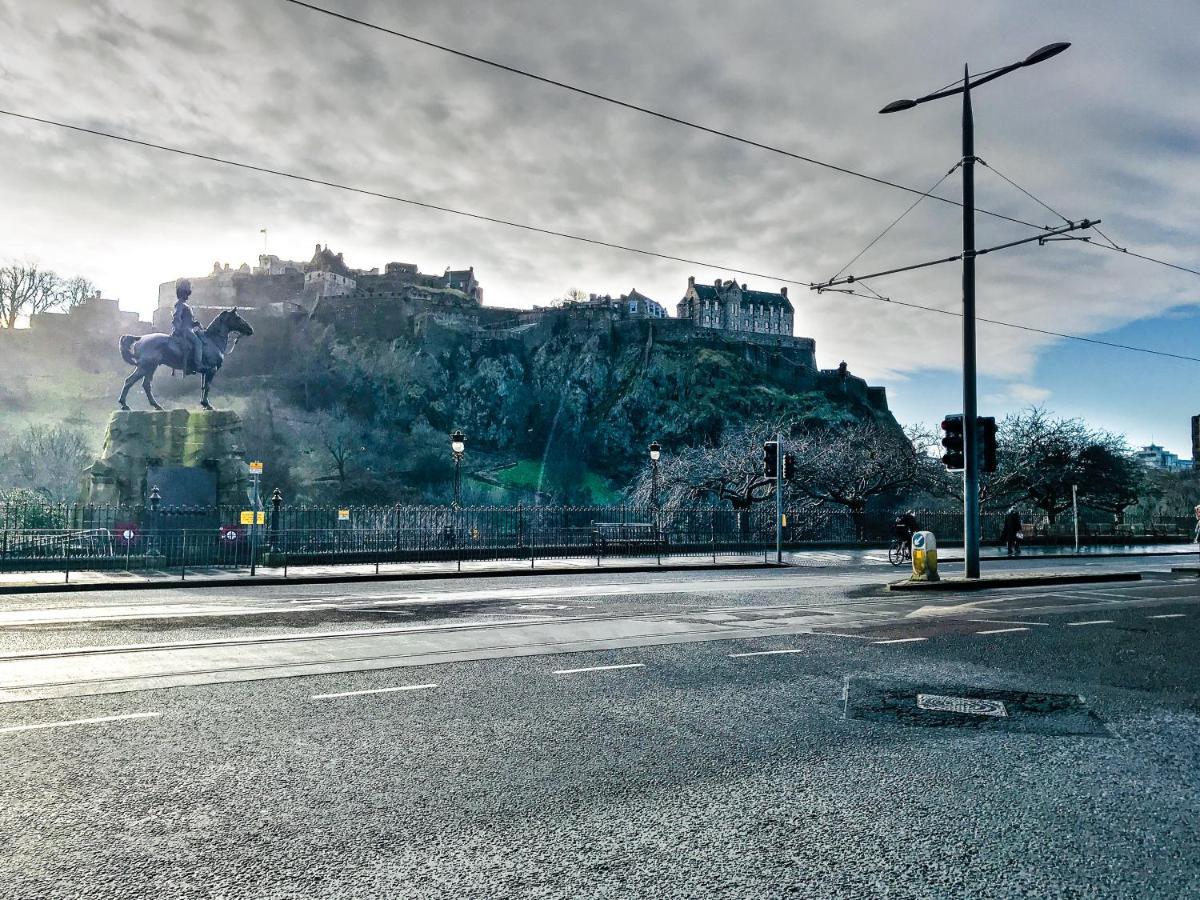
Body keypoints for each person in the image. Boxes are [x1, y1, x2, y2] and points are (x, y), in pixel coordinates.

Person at [171, 278, 206, 375]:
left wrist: (196, 323)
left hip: (189, 329)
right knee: (198, 343)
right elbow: (176, 317)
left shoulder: (184, 305)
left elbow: (188, 321)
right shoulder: (180, 304)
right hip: (186, 331)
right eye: (187, 293)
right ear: (184, 293)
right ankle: (198, 365)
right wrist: (178, 330)